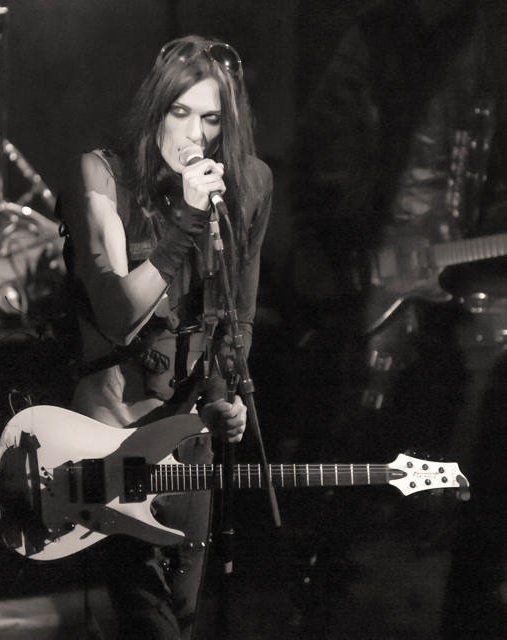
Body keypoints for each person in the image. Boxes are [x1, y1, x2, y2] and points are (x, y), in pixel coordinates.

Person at [286, 1, 507, 638]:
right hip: (371, 291)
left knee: (441, 476)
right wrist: (361, 252)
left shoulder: (492, 40)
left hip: (453, 293)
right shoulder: (375, 39)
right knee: (353, 463)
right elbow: (322, 157)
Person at [55, 35, 272, 640]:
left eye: (211, 119)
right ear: (157, 108)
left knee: (183, 613)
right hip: (113, 433)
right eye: (181, 112)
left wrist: (225, 395)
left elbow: (238, 314)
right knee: (146, 617)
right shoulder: (104, 175)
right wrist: (184, 219)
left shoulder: (250, 182)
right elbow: (117, 314)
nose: (195, 134)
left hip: (190, 433)